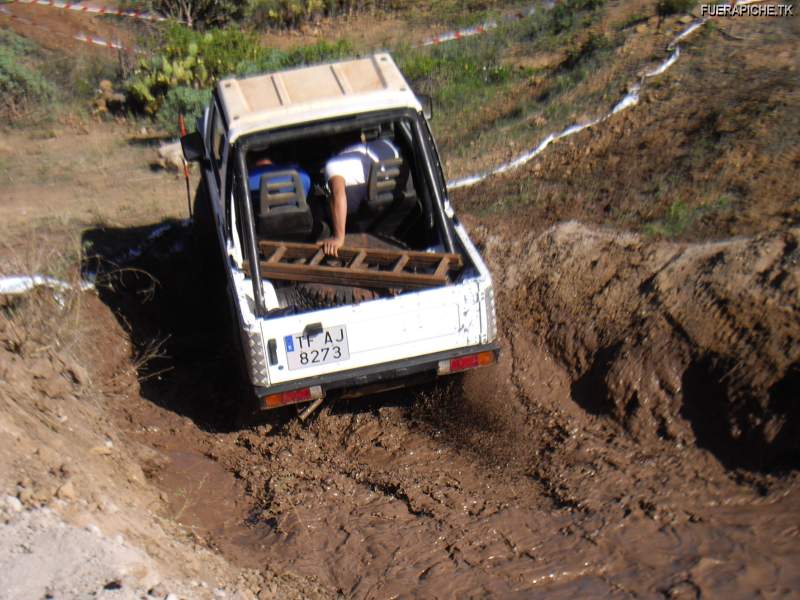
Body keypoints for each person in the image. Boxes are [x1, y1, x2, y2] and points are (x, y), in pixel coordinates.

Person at [320, 136, 400, 256]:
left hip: (359, 209)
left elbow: (338, 194)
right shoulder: (386, 145)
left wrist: (338, 237)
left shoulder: (334, 165)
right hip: (388, 204)